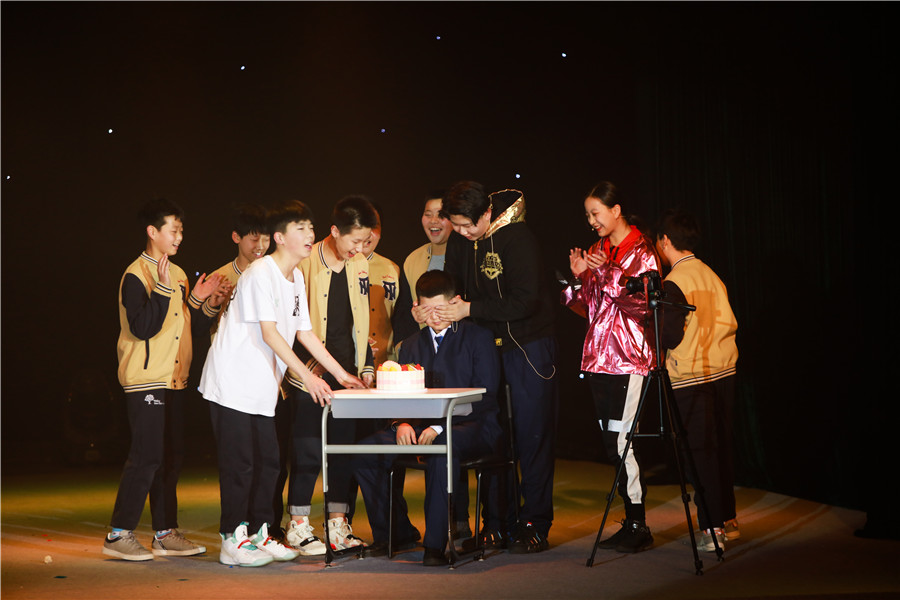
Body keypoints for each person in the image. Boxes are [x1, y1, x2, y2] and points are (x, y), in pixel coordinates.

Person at [199, 200, 365, 567]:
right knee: (241, 465)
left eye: (310, 228)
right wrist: (308, 377)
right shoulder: (260, 272)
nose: (309, 235)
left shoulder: (296, 277)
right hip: (231, 384)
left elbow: (304, 332)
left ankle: (260, 534)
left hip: (262, 388)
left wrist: (340, 375)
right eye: (300, 228)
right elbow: (271, 333)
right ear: (279, 237)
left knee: (270, 464)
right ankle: (231, 539)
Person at [432, 181, 559, 554]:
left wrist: (470, 309)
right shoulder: (461, 240)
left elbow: (526, 301)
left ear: (486, 213)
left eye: (467, 225)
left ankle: (535, 522)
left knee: (532, 436)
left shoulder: (518, 238)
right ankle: (496, 523)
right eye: (456, 226)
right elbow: (455, 287)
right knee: (492, 433)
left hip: (528, 347)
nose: (461, 233)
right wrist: (435, 305)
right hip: (485, 348)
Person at [103, 198, 229, 561]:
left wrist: (207, 302)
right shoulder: (136, 275)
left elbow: (188, 327)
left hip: (174, 378)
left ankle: (165, 533)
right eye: (173, 230)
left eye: (181, 231)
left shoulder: (179, 274)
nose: (179, 237)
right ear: (152, 231)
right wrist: (160, 287)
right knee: (146, 456)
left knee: (171, 458)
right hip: (146, 378)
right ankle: (118, 534)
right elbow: (143, 327)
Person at [354, 270, 502, 566]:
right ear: (417, 308)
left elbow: (486, 395)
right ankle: (395, 532)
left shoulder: (478, 337)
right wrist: (401, 422)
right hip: (419, 427)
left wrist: (438, 426)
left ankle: (435, 546)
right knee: (366, 452)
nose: (434, 316)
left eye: (440, 308)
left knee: (439, 450)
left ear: (455, 302)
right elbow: (401, 392)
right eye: (427, 309)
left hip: (473, 426)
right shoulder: (411, 344)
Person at [562, 181, 660, 553]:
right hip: (599, 359)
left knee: (624, 440)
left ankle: (638, 522)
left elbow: (644, 305)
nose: (591, 221)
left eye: (596, 213)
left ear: (616, 210)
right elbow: (587, 307)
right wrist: (577, 277)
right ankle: (631, 519)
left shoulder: (642, 250)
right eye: (587, 215)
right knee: (610, 441)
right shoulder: (597, 250)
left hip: (630, 358)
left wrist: (609, 272)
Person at [277, 195, 378, 554]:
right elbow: (289, 326)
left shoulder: (360, 263)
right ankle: (298, 525)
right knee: (306, 450)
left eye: (365, 241)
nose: (359, 248)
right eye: (354, 240)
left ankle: (337, 525)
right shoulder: (304, 263)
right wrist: (308, 368)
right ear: (334, 231)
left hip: (346, 375)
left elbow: (361, 320)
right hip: (309, 374)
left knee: (342, 452)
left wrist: (364, 366)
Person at [656, 208, 740, 552]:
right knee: (720, 449)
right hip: (724, 370)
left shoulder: (676, 280)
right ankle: (727, 520)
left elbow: (670, 335)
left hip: (692, 375)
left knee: (699, 453)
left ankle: (712, 527)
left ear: (665, 241)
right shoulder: (710, 273)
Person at [393, 193, 453, 344]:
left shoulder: (468, 255)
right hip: (426, 347)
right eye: (428, 214)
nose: (433, 220)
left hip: (461, 346)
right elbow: (404, 313)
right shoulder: (413, 260)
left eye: (441, 215)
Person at [208, 203, 271, 340]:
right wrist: (212, 305)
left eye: (266, 239)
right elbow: (201, 327)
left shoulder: (274, 276)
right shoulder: (218, 279)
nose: (261, 246)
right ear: (236, 237)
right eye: (254, 239)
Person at [362, 205, 402, 367]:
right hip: (345, 364)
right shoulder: (334, 267)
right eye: (363, 225)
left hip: (386, 364)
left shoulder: (392, 268)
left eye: (374, 226)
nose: (368, 233)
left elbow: (399, 317)